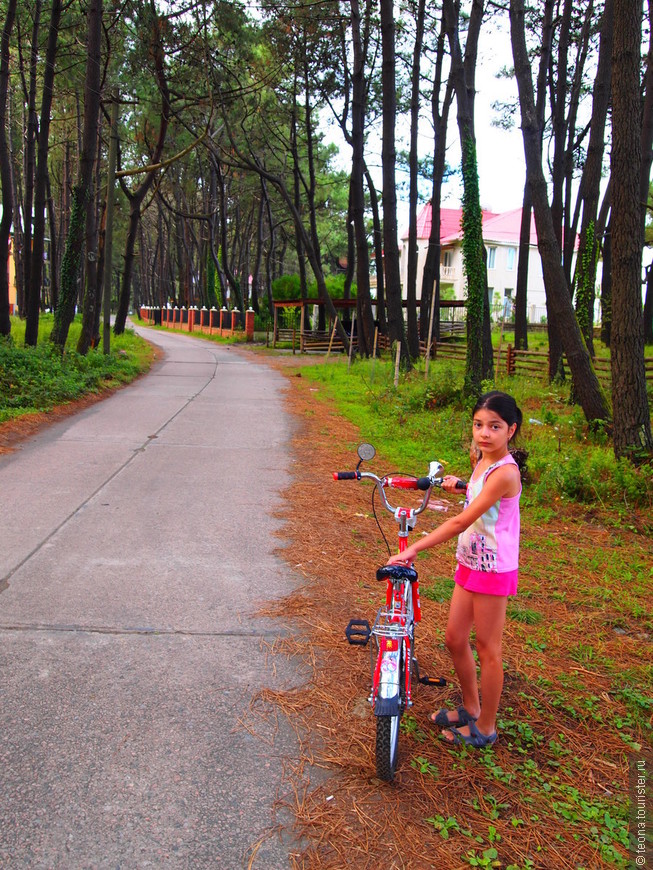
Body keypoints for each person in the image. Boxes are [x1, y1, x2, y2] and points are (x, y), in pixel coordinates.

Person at [386, 390, 524, 748]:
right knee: (454, 639)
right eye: (479, 424)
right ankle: (470, 707)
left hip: (493, 569)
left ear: (511, 429)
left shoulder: (505, 472)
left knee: (488, 648)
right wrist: (460, 484)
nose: (484, 433)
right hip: (471, 562)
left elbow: (462, 520)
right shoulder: (483, 462)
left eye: (494, 426)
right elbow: (477, 494)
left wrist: (414, 547)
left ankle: (487, 727)